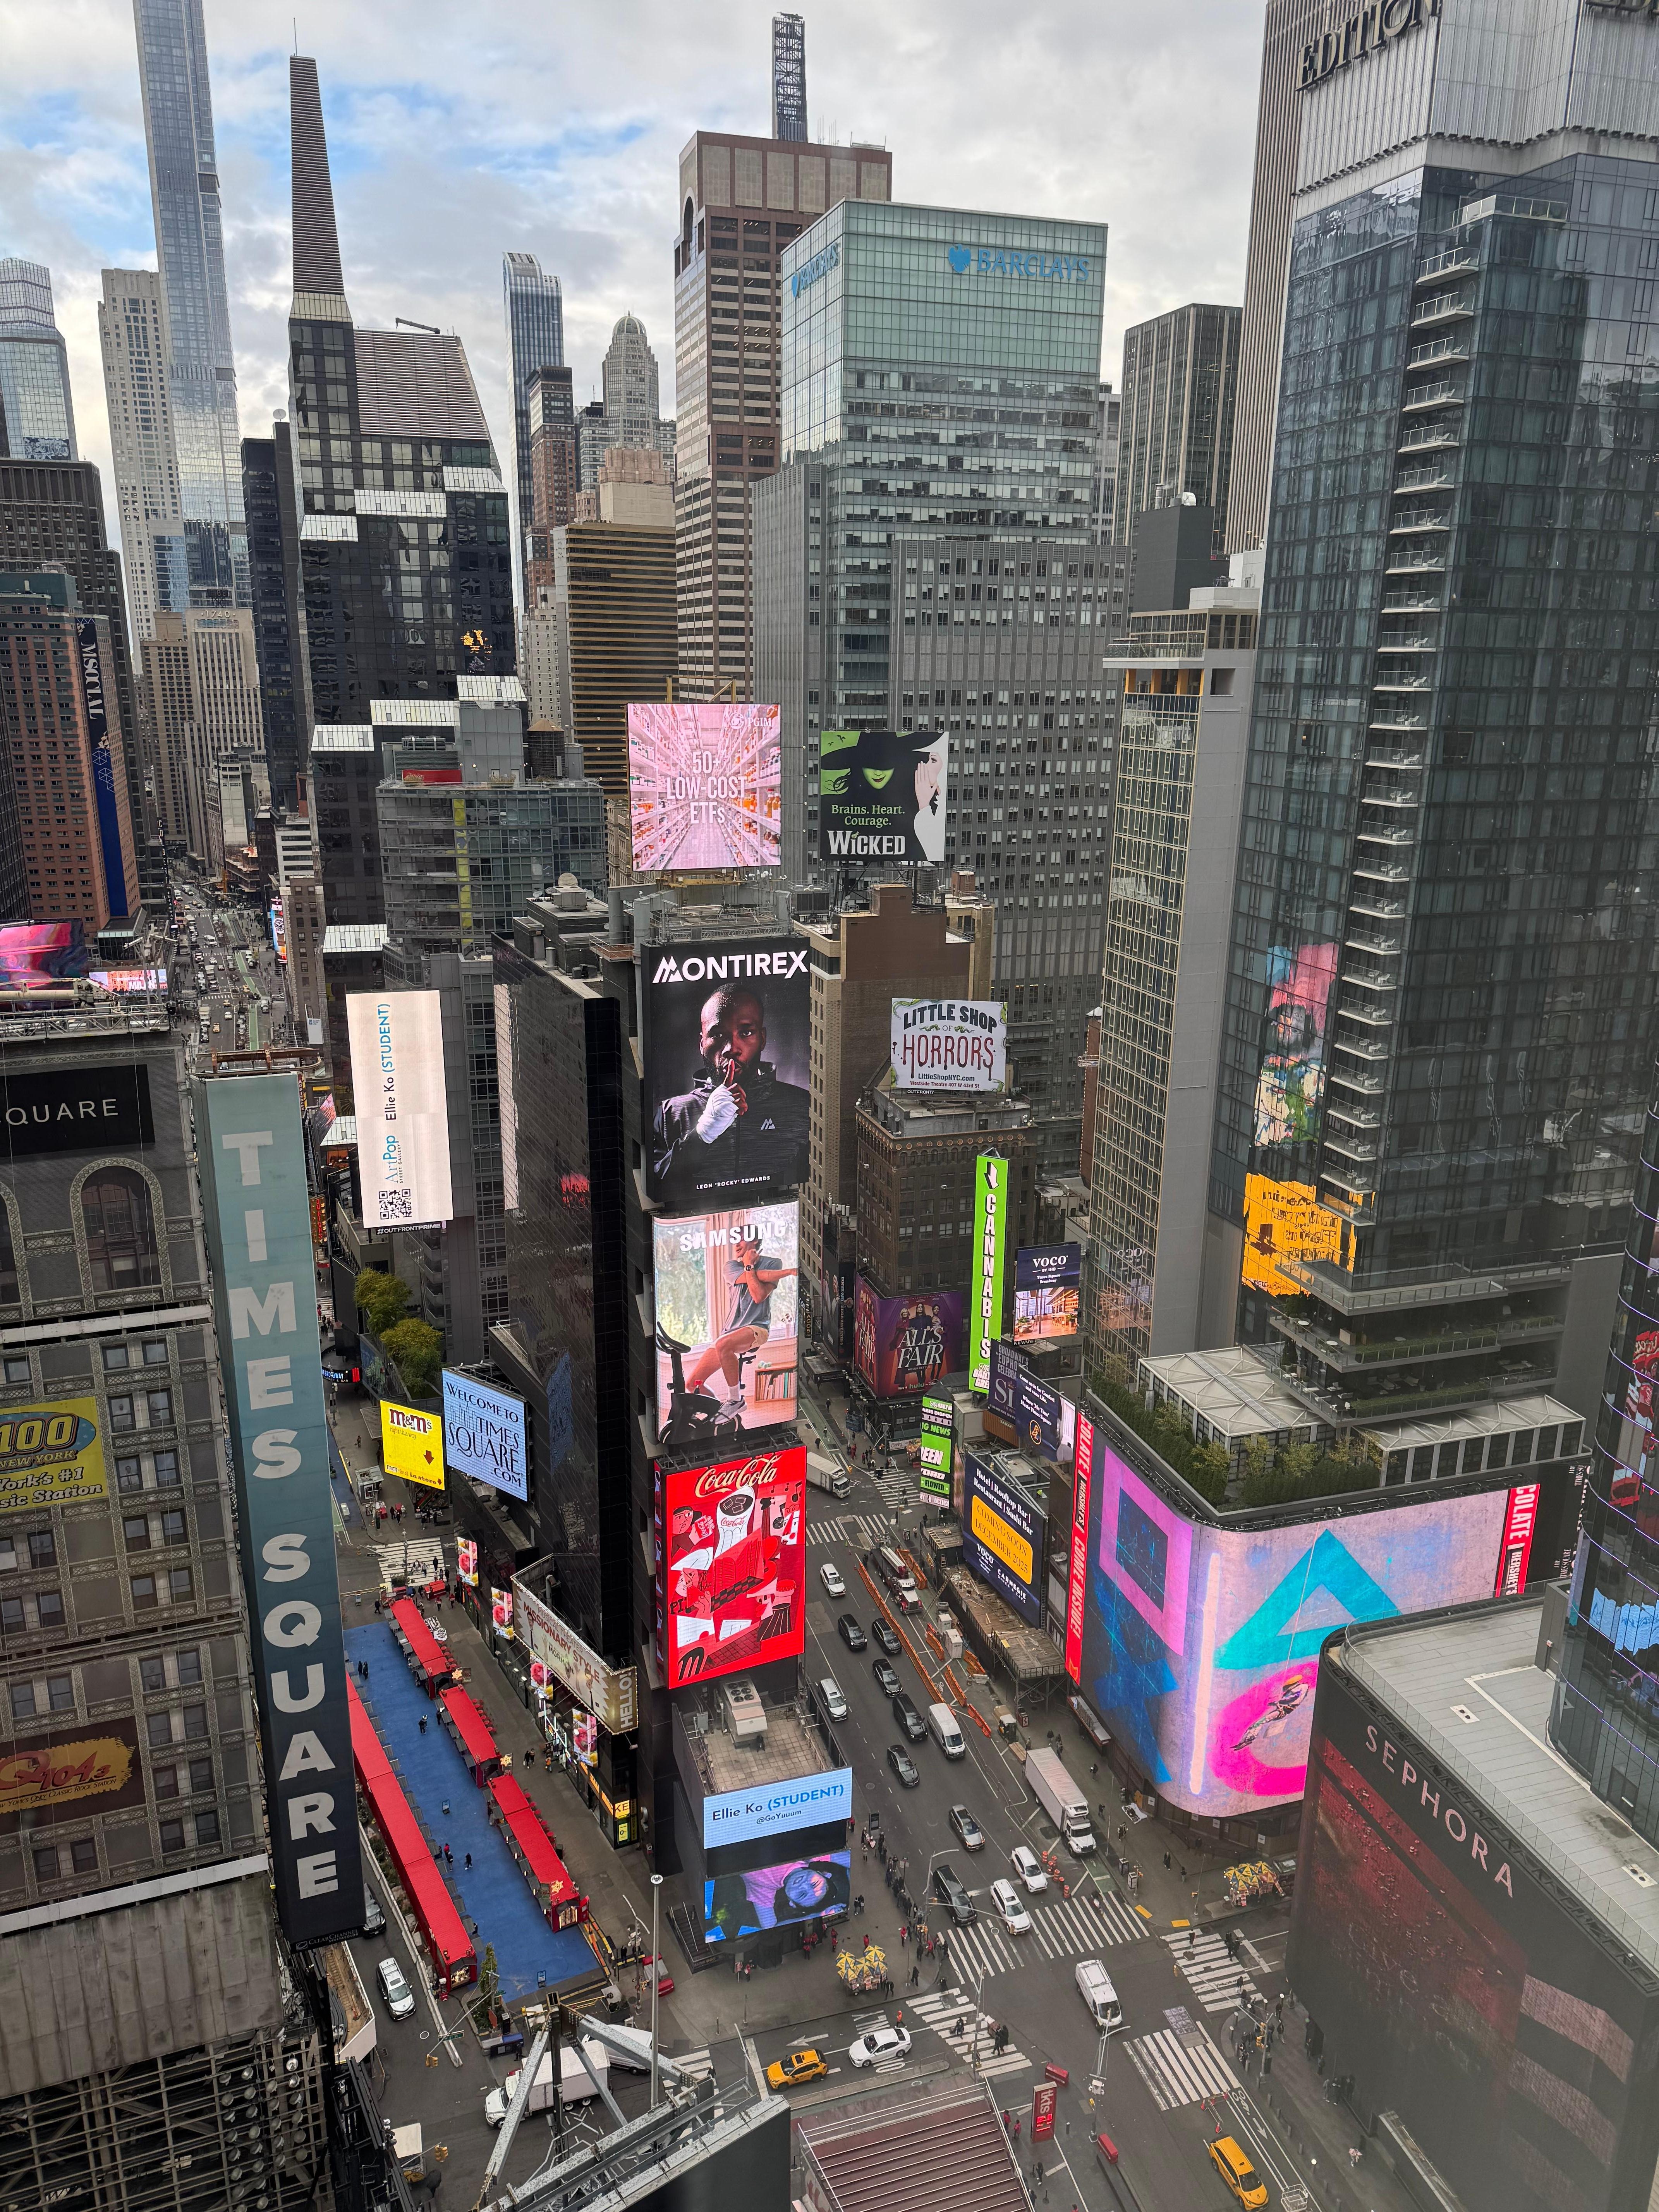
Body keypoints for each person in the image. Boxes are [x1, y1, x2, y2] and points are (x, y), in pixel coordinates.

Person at [651, 983, 810, 1200]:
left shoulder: (803, 1107)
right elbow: (655, 1192)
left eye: (746, 1032)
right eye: (717, 1035)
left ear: (762, 1039)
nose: (731, 1048)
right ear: (702, 1044)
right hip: (697, 1231)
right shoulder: (672, 1112)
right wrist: (702, 1134)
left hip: (779, 1228)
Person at [681, 1228, 798, 1417]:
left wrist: (753, 1267)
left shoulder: (773, 1263)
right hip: (729, 1332)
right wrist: (784, 1272)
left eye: (740, 1239)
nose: (736, 1244)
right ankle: (717, 1412)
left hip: (757, 1327)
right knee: (693, 1383)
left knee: (723, 1345)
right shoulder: (731, 1266)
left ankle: (735, 1399)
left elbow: (759, 1295)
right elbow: (757, 1277)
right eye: (734, 1240)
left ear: (755, 1241)